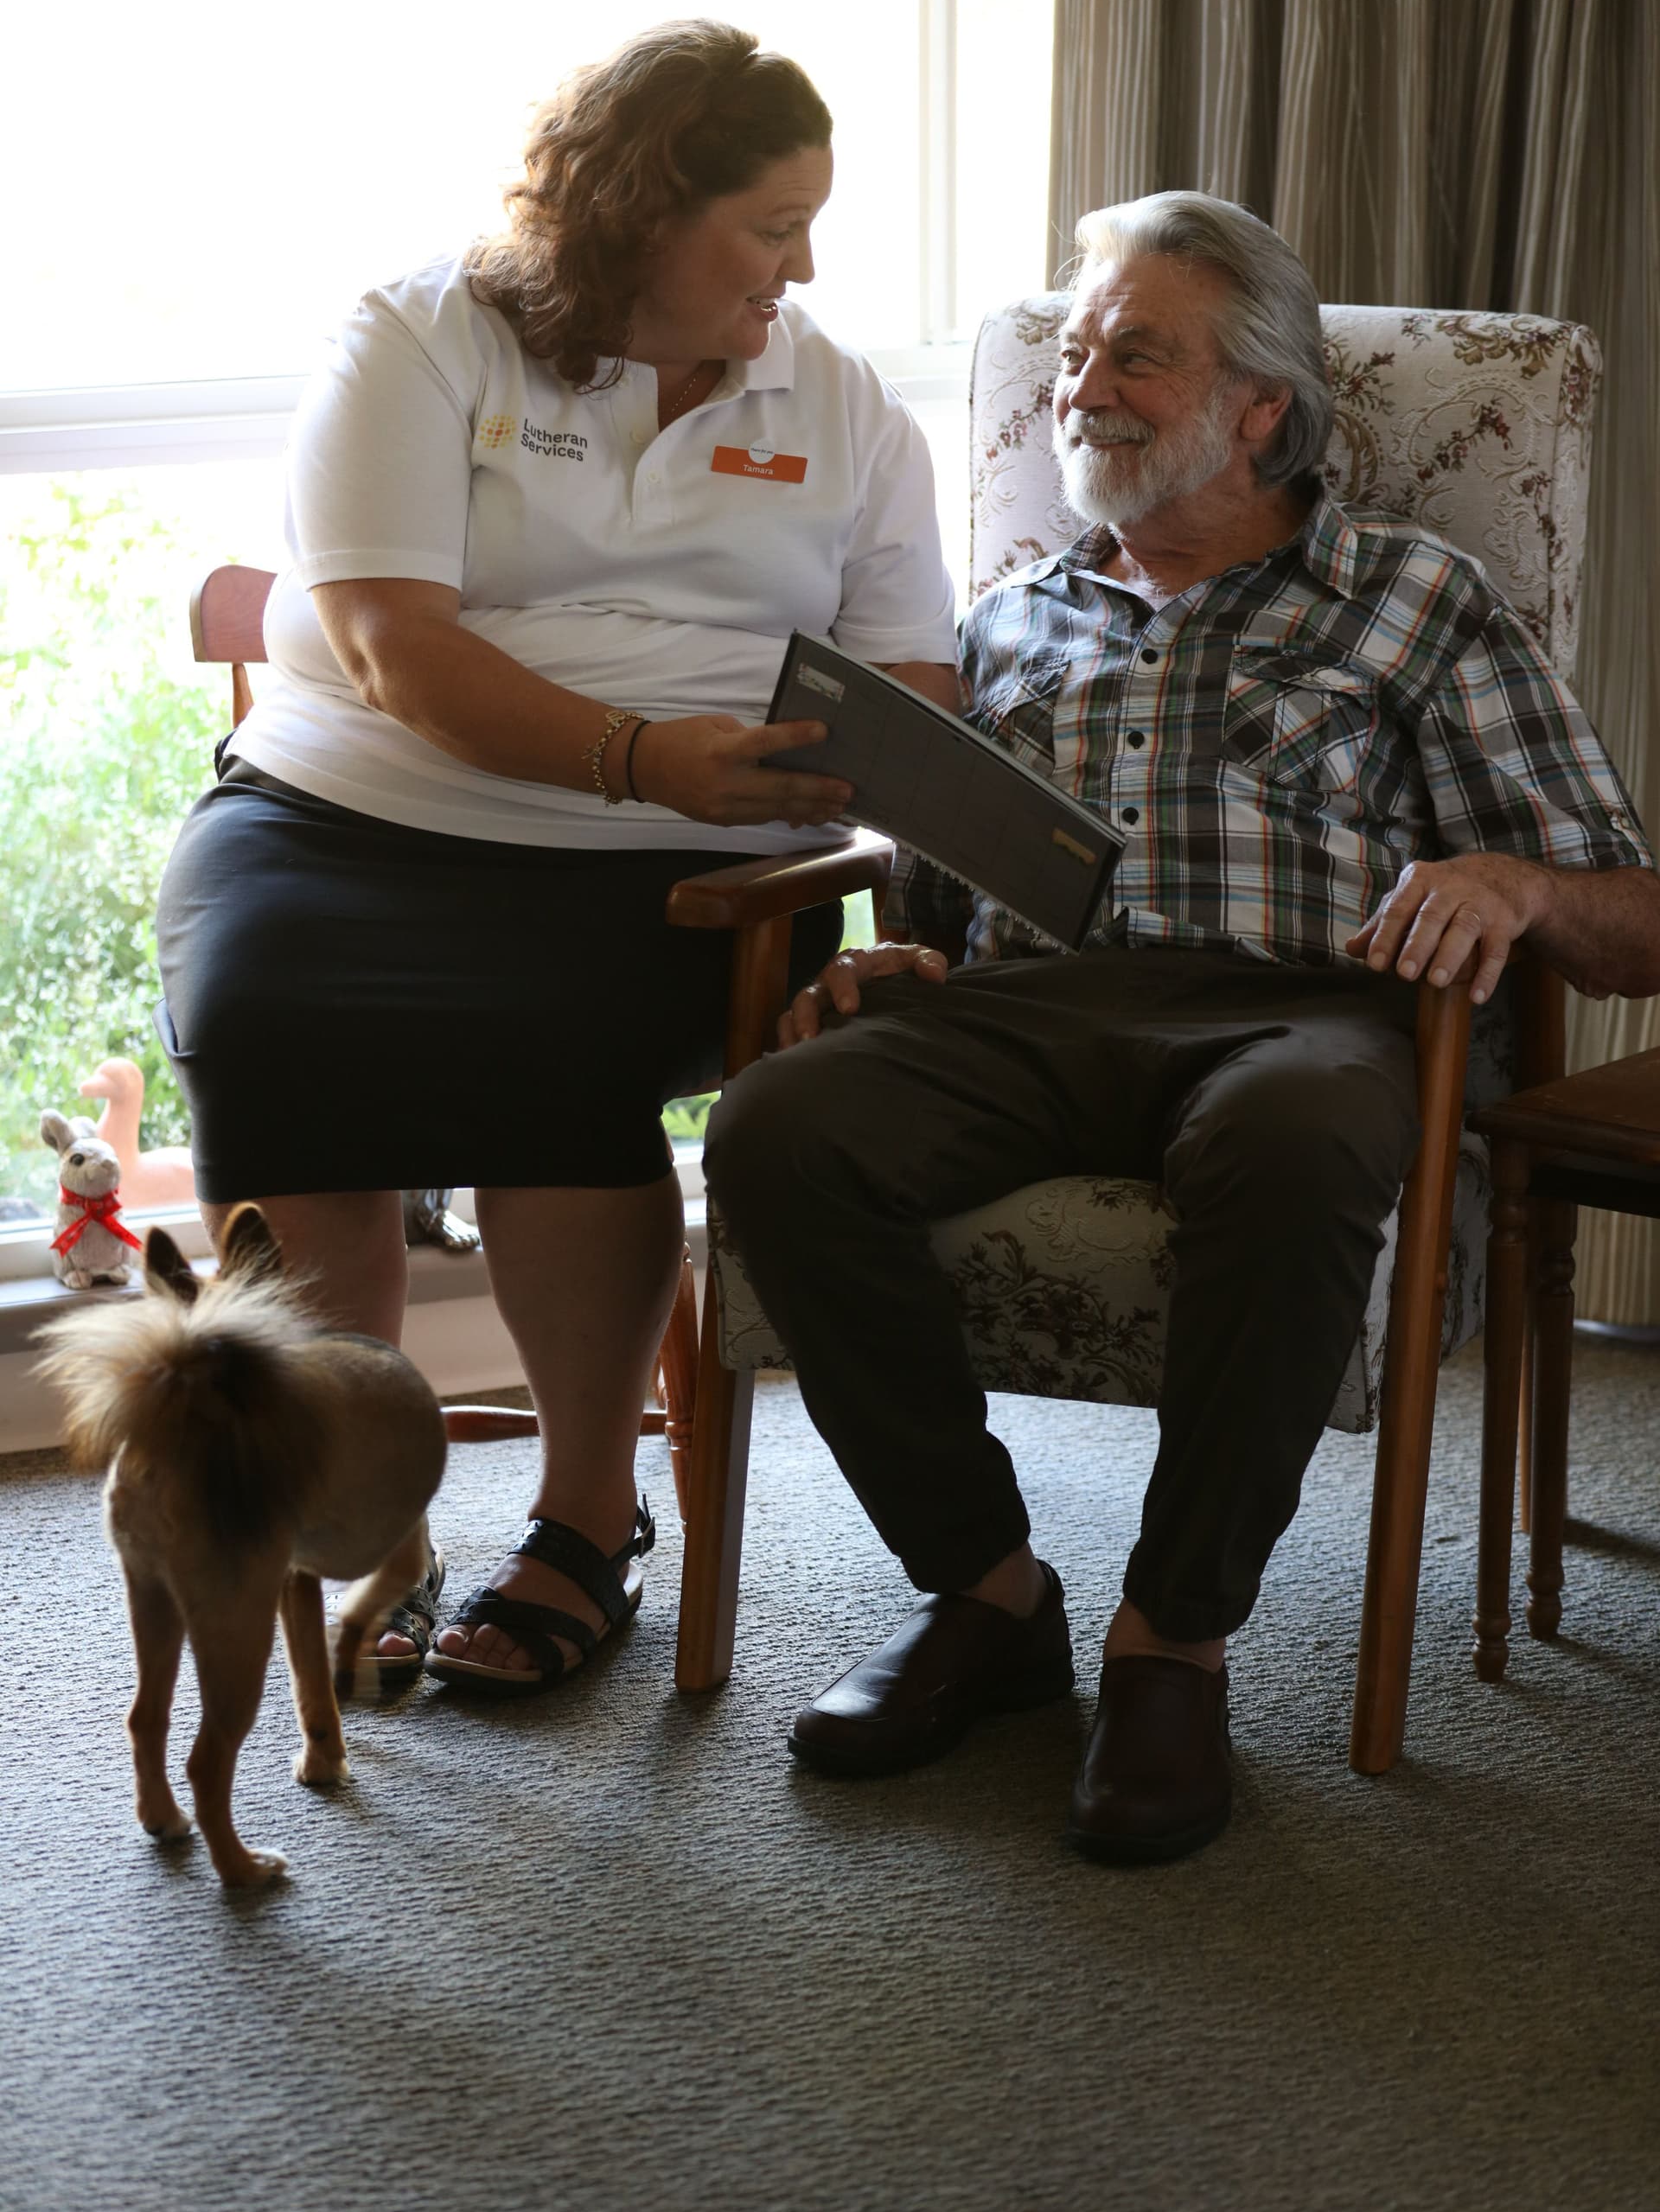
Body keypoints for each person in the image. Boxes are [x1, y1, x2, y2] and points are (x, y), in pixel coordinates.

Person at [704, 189, 1660, 1864]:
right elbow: (934, 918)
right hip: (1024, 1012)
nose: (1084, 384)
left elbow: (1635, 920)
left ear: (1262, 408)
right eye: (1074, 354)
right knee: (781, 1122)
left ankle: (1173, 1639)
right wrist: (885, 971)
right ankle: (990, 1599)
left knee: (1295, 1148)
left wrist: (1510, 883)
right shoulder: (1006, 626)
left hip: (1303, 1018)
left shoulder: (1414, 601)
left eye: (1138, 353)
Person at [156, 18, 956, 1695]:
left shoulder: (846, 404)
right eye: (767, 223)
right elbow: (387, 644)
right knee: (273, 1012)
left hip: (688, 868)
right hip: (339, 815)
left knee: (556, 1042)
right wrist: (632, 747)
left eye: (812, 223)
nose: (802, 264)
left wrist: (828, 813)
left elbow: (917, 691)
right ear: (641, 209)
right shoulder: (429, 333)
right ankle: (350, 1498)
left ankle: (588, 1519)